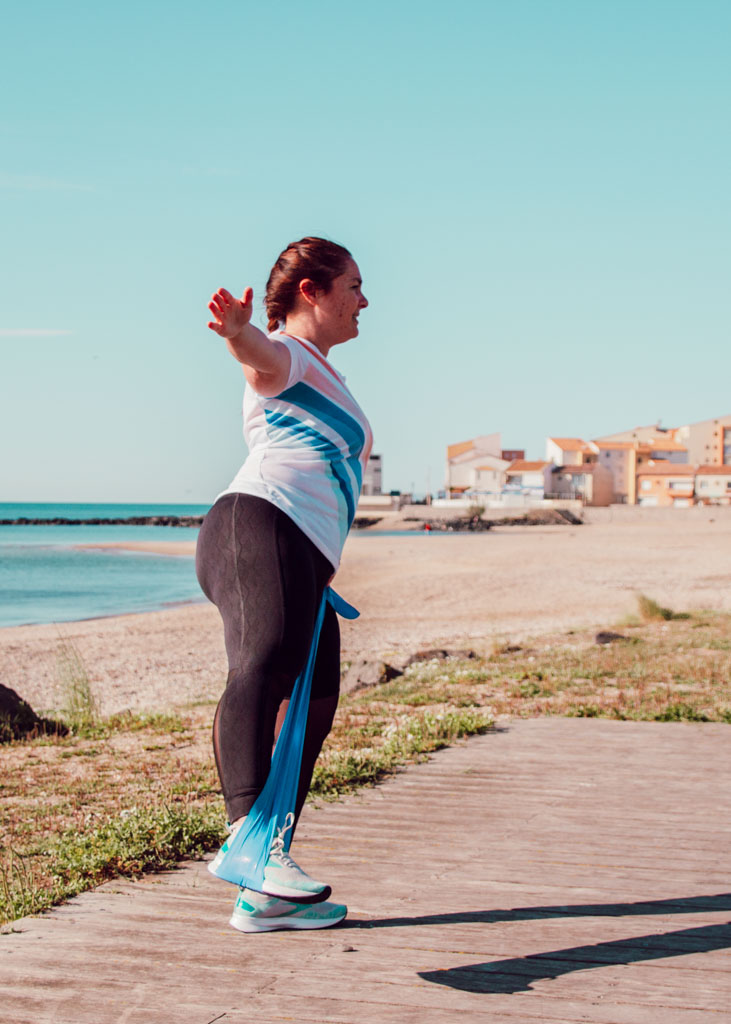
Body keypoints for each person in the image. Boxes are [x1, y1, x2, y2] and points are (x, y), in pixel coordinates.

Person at [196, 237, 371, 933]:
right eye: (353, 285)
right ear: (313, 292)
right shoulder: (289, 354)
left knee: (314, 706)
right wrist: (239, 334)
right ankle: (247, 841)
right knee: (262, 665)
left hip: (303, 557)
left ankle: (265, 891)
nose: (364, 299)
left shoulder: (328, 373)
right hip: (257, 526)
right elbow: (260, 364)